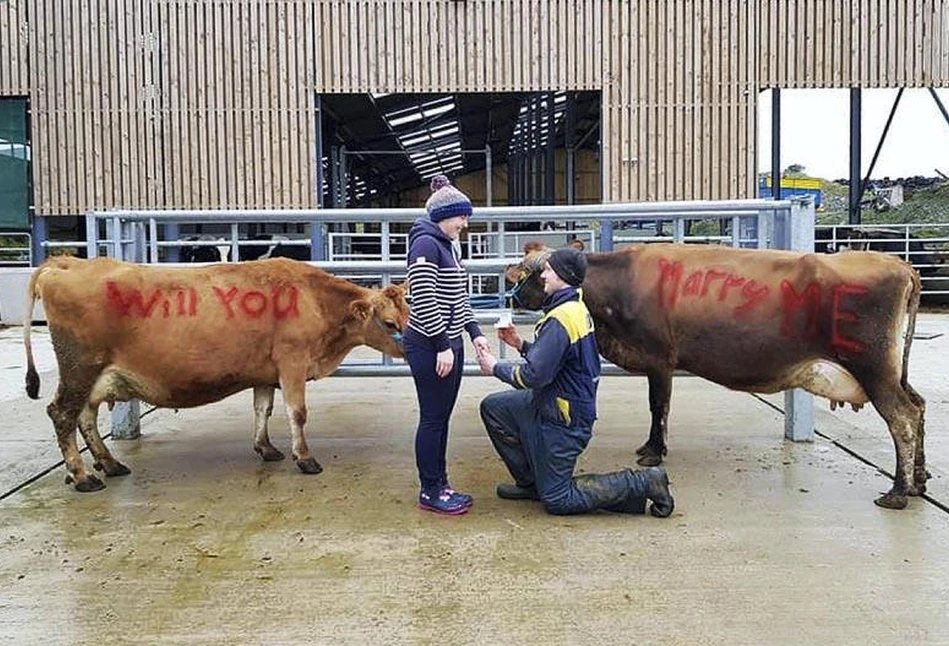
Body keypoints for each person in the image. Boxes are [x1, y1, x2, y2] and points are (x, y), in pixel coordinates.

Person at [476, 248, 675, 517]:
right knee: (495, 408)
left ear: (562, 276)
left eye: (547, 270)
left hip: (564, 417)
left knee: (559, 500)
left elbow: (534, 376)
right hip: (554, 401)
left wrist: (494, 367)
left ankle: (645, 481)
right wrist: (520, 344)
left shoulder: (562, 318)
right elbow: (555, 357)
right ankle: (533, 483)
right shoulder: (571, 306)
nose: (543, 275)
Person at [404, 174, 490, 515]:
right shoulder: (425, 244)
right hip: (429, 345)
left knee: (441, 418)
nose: (464, 224)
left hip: (447, 343)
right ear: (444, 215)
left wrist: (474, 331)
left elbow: (458, 296)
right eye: (461, 217)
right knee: (432, 418)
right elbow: (423, 298)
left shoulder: (447, 245)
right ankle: (430, 489)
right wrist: (442, 343)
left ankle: (441, 482)